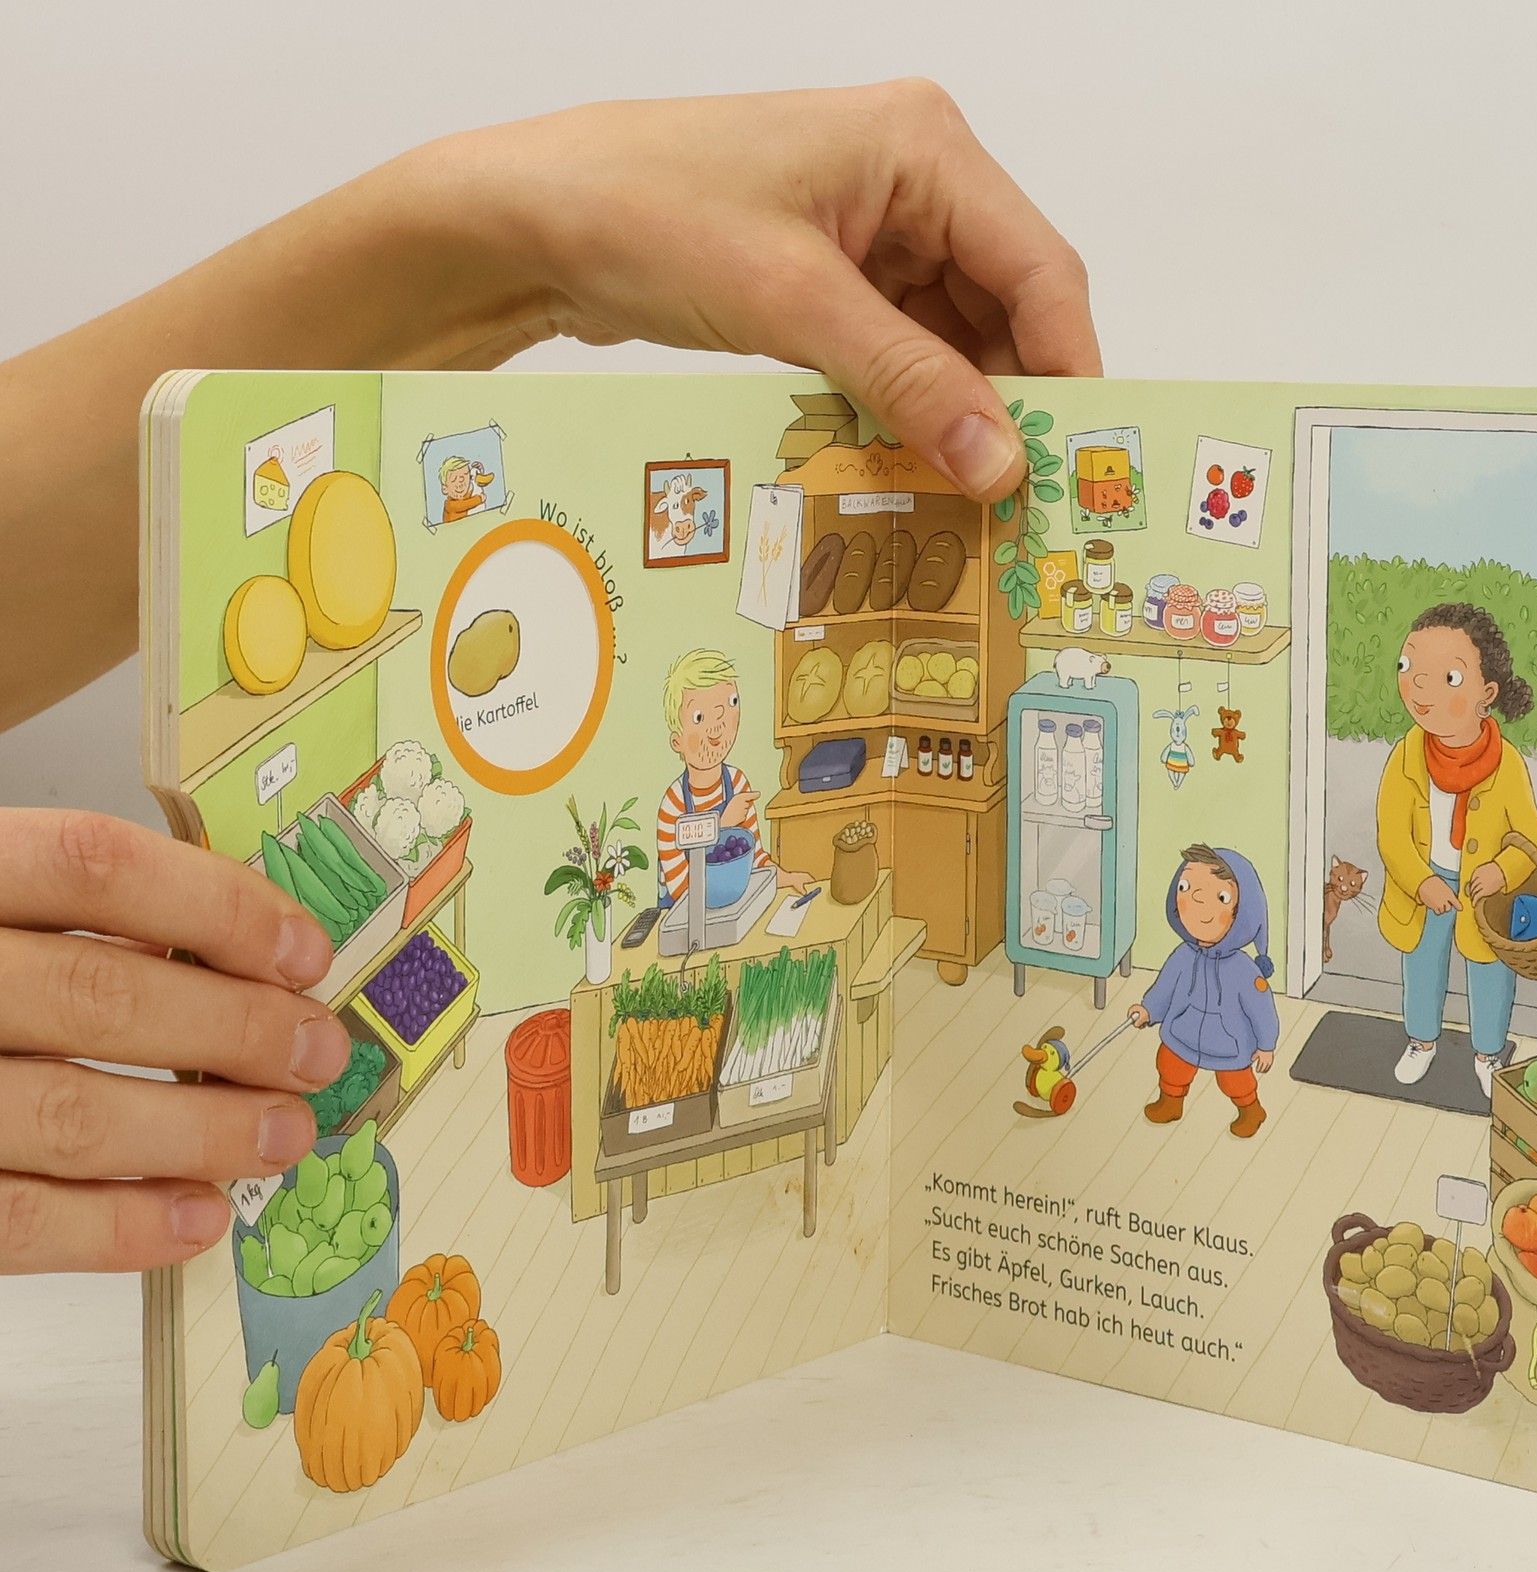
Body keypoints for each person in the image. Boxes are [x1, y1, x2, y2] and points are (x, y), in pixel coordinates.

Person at [0, 83, 1099, 1275]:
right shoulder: (681, 799)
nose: (718, 728)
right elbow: (686, 859)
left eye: (724, 715)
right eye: (707, 716)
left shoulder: (740, 783)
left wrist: (521, 238)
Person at [1375, 603, 1537, 1102]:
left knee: (1490, 969)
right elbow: (1391, 834)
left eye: (1447, 677)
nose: (1419, 688)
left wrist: (1501, 871)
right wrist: (1422, 882)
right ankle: (1421, 1041)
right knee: (1422, 963)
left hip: (1483, 888)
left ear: (1486, 695)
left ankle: (1489, 1053)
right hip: (1425, 883)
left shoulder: (1506, 763)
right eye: (1409, 667)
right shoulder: (1406, 755)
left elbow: (1531, 835)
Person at [1127, 843, 1279, 1139]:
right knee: (1170, 1063)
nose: (1197, 902)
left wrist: (1266, 1045)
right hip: (1183, 1030)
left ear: (1243, 911)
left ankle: (1251, 1109)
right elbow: (1165, 987)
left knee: (1234, 1081)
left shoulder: (1244, 970)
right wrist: (1148, 1010)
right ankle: (1171, 1102)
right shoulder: (1183, 956)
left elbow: (1262, 1009)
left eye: (1221, 897)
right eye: (1186, 888)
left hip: (1228, 1042)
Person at [655, 648, 810, 907]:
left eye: (730, 703)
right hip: (686, 916)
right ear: (677, 741)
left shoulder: (737, 783)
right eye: (699, 717)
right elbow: (682, 889)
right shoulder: (673, 805)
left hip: (736, 903)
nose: (718, 725)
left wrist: (785, 877)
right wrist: (723, 824)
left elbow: (755, 858)